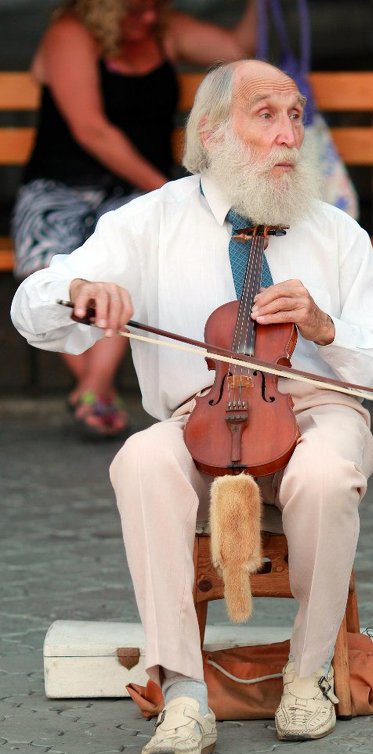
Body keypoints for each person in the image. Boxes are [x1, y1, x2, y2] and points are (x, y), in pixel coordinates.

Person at [11, 59, 373, 754]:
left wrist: (327, 330)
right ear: (210, 132)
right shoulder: (147, 221)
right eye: (265, 116)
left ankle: (306, 671)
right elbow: (33, 306)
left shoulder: (335, 233)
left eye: (294, 116)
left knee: (325, 472)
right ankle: (184, 693)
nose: (288, 134)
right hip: (194, 419)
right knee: (140, 456)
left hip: (315, 409)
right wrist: (78, 288)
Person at [11, 0, 256, 439]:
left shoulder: (164, 27)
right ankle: (97, 389)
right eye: (134, 11)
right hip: (60, 184)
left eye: (153, 8)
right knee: (47, 268)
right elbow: (91, 129)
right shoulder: (72, 31)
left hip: (132, 191)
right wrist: (166, 189)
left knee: (132, 267)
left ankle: (90, 390)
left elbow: (238, 47)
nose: (147, 19)